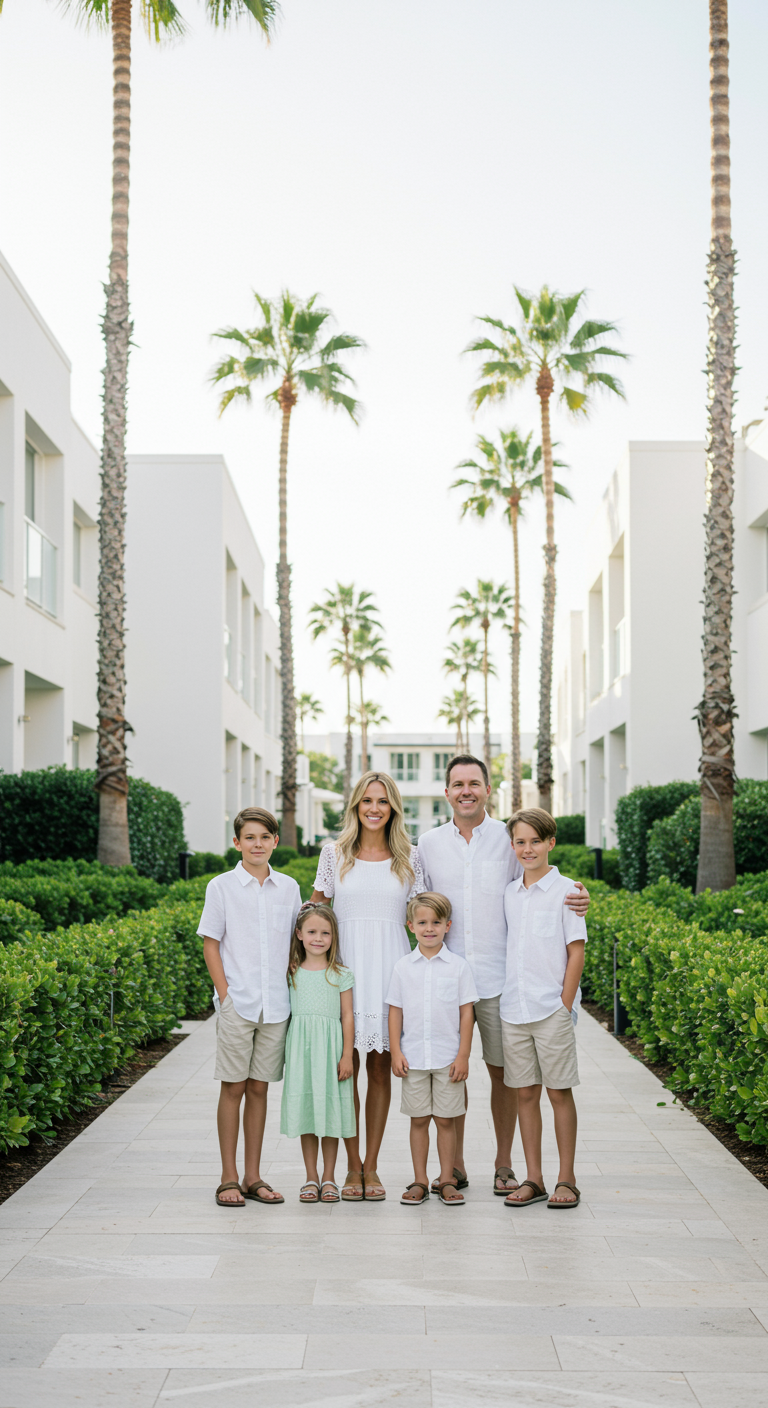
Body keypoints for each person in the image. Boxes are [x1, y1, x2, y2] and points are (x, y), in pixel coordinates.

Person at [418, 754, 589, 1195]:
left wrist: (579, 896)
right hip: (447, 980)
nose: (466, 791)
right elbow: (417, 905)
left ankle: (505, 1164)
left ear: (488, 789)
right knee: (448, 1071)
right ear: (447, 792)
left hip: (500, 980)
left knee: (505, 1076)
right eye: (458, 784)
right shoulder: (429, 844)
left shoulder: (508, 838)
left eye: (474, 782)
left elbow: (538, 887)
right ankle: (452, 1165)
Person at [310, 771, 426, 1202]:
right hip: (343, 976)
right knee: (345, 1072)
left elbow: (429, 916)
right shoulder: (333, 853)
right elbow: (313, 915)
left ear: (393, 806)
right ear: (355, 806)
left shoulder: (411, 858)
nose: (374, 808)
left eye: (382, 801)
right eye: (366, 801)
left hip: (392, 976)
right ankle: (350, 1166)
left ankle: (371, 1168)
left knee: (380, 1069)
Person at [199, 806, 301, 1207]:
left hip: (276, 1005)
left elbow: (295, 942)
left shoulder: (289, 887)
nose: (257, 844)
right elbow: (211, 943)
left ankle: (253, 1175)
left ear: (275, 842)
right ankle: (227, 1177)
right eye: (250, 837)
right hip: (238, 1003)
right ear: (237, 842)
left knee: (259, 1088)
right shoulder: (221, 887)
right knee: (233, 1087)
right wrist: (224, 996)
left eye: (265, 837)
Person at [500, 808, 586, 1209]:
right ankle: (533, 1179)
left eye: (536, 841)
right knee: (524, 1096)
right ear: (512, 845)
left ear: (551, 842)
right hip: (514, 1010)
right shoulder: (509, 893)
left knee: (559, 1093)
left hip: (550, 1008)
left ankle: (566, 1179)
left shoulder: (568, 891)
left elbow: (576, 953)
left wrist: (563, 1005)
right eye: (520, 841)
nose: (528, 848)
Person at [388, 893, 477, 1206]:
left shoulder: (458, 967)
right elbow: (395, 1011)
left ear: (447, 926)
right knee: (419, 1120)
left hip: (447, 1058)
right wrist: (396, 1051)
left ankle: (447, 1179)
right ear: (411, 926)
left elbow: (467, 1012)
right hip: (413, 1057)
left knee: (446, 1120)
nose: (429, 929)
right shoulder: (402, 967)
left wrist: (463, 1055)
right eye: (422, 922)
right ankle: (420, 1180)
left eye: (436, 922)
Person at [280, 902, 356, 1203]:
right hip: (302, 1052)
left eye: (325, 932)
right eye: (311, 931)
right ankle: (311, 1177)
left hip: (331, 1051)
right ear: (299, 934)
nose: (318, 938)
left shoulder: (340, 973)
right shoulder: (291, 972)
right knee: (308, 1113)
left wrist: (347, 1055)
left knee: (331, 1114)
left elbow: (347, 1015)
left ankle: (329, 1178)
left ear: (333, 936)